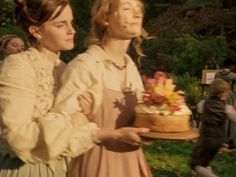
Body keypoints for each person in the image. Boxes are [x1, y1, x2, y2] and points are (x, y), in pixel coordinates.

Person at [0, 0, 149, 177]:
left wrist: (86, 119)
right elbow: (18, 137)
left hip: (61, 168)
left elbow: (73, 138)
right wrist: (73, 119)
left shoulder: (63, 67)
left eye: (71, 22)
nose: (72, 30)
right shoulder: (18, 65)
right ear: (36, 31)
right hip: (26, 169)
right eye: (61, 25)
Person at [53, 0, 153, 176]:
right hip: (96, 163)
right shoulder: (85, 66)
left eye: (139, 10)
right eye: (127, 9)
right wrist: (87, 120)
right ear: (106, 18)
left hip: (131, 163)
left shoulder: (130, 67)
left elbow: (139, 120)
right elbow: (62, 131)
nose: (137, 15)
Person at [190, 78, 236, 177]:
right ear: (224, 94)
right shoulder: (227, 108)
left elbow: (198, 109)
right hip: (218, 139)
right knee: (205, 162)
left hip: (206, 139)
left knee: (196, 164)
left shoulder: (203, 103)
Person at [215, 58, 236, 149]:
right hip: (229, 95)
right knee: (230, 116)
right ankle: (230, 139)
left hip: (218, 96)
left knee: (220, 115)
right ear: (231, 66)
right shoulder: (232, 75)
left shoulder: (217, 74)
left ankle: (220, 138)